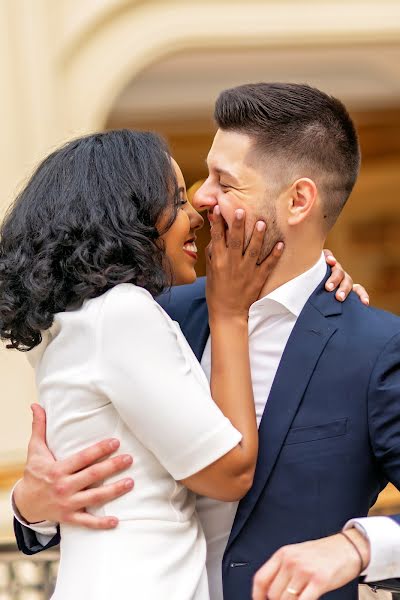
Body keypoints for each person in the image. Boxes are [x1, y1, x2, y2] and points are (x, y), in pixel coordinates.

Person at [11, 83, 394, 600]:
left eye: (225, 182)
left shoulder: (375, 348)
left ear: (299, 201)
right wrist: (30, 505)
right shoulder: (153, 312)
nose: (200, 196)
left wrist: (358, 548)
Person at [0, 128, 288, 599]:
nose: (194, 215)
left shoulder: (80, 320)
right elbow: (228, 473)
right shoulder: (120, 313)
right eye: (175, 202)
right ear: (126, 217)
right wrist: (229, 314)